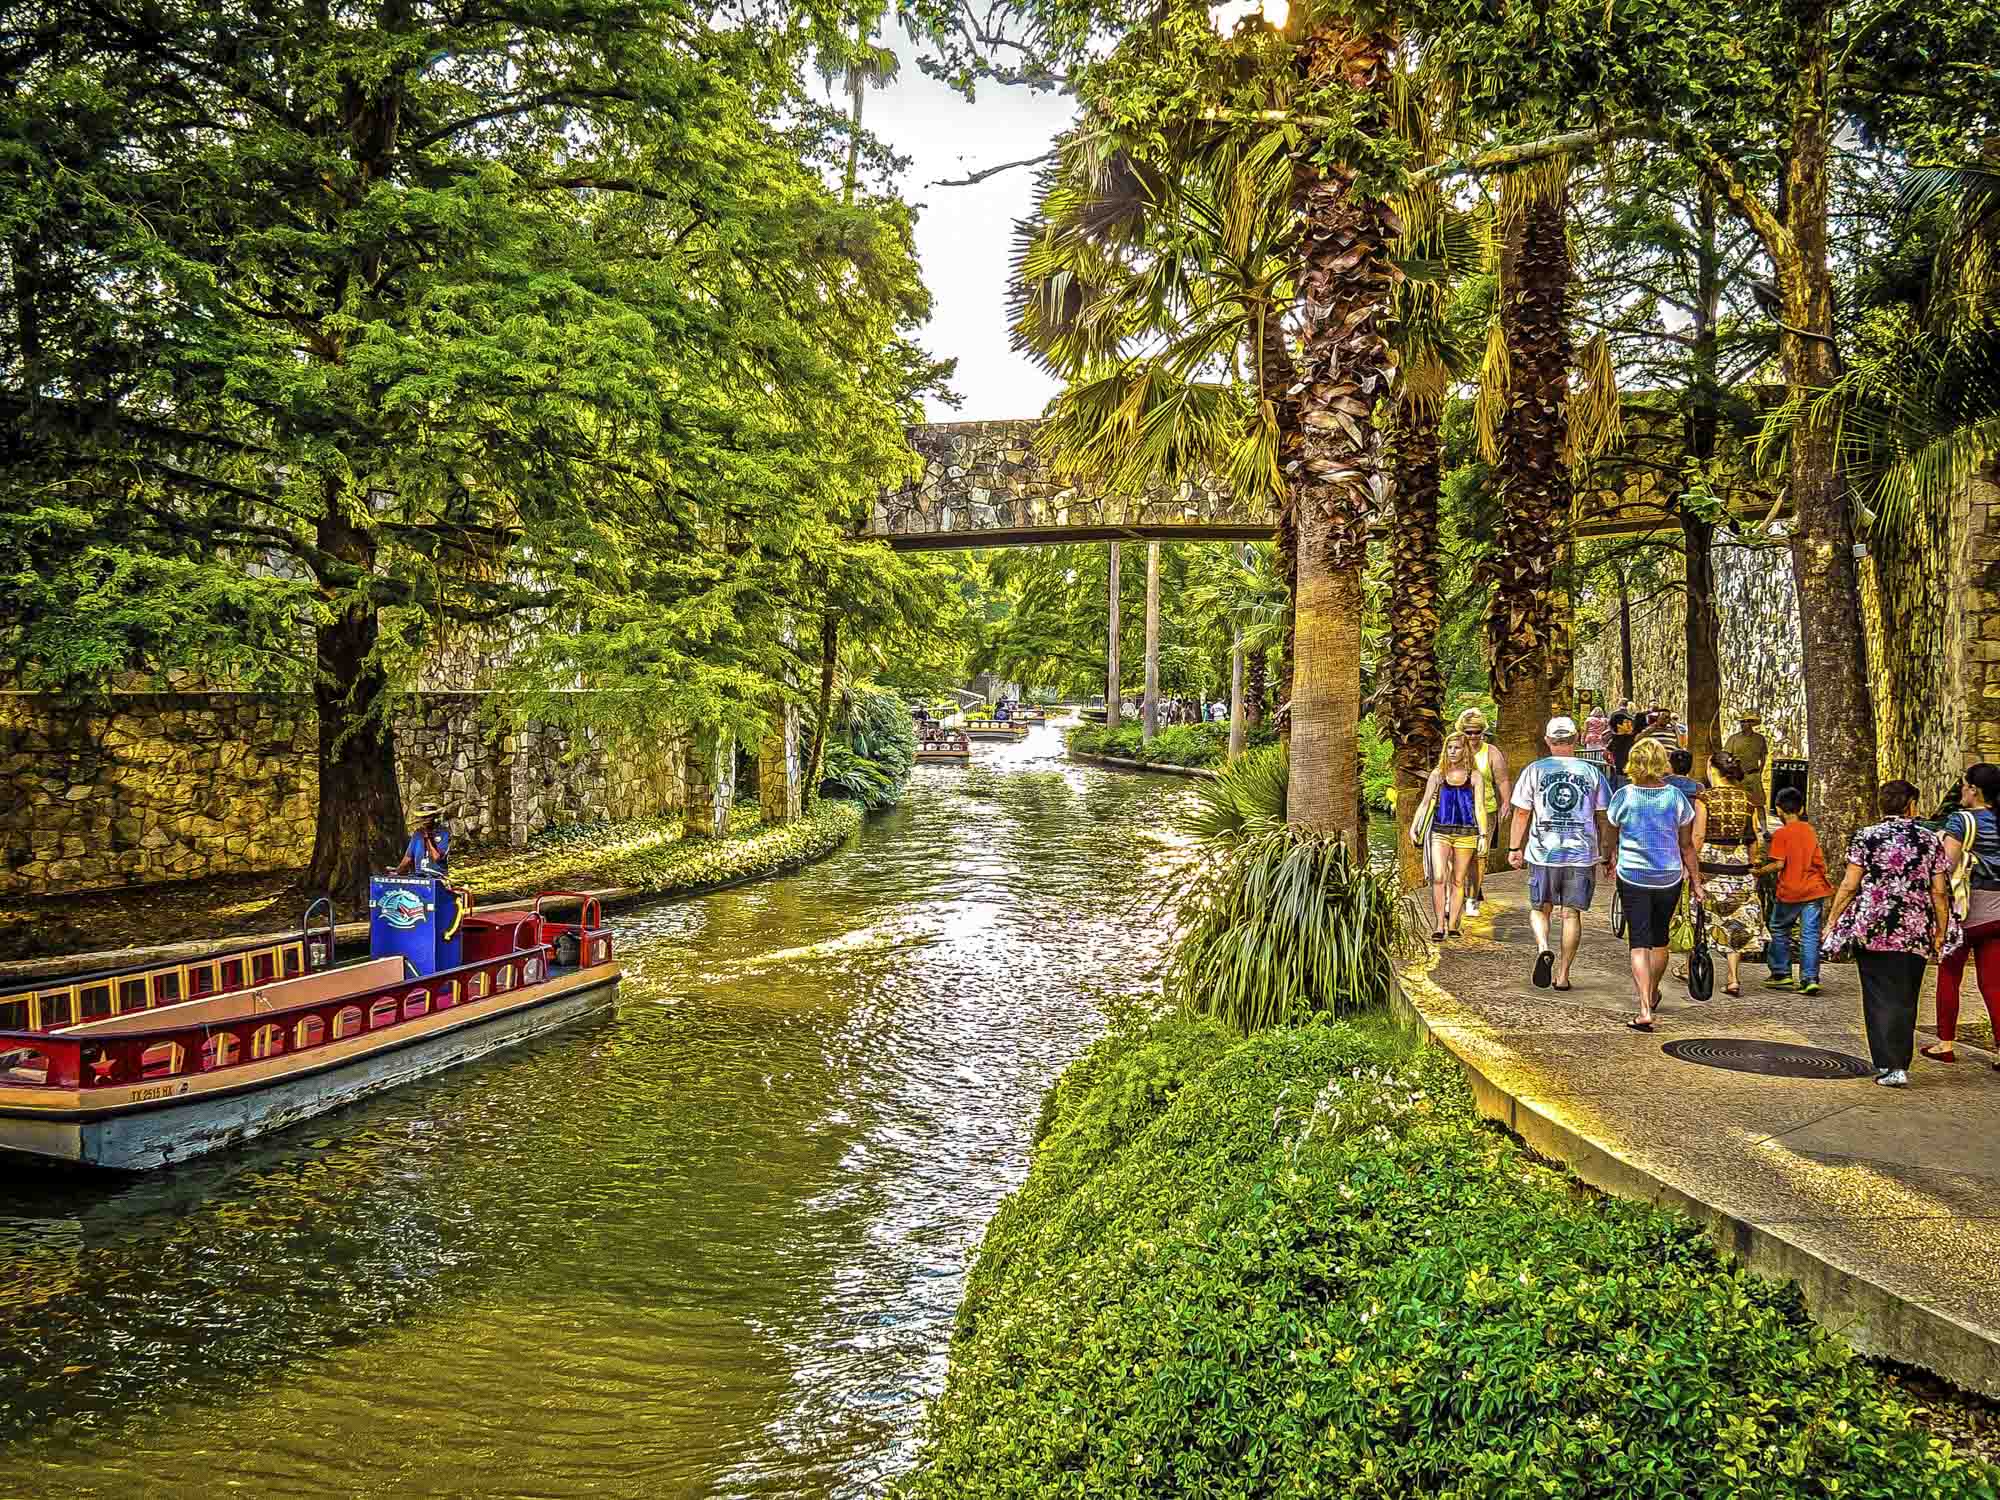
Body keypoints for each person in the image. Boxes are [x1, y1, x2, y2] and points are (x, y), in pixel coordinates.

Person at [1825, 780, 1952, 1088]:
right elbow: (1938, 891)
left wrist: (1833, 919)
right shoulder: (1930, 840)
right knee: (1907, 995)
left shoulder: (1866, 836)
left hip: (1873, 926)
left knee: (1877, 995)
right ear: (1911, 805)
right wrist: (1941, 929)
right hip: (1915, 928)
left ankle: (1888, 1064)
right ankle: (1901, 1062)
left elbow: (1850, 884)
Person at [1604, 738, 1700, 1032]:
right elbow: (1686, 846)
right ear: (1662, 763)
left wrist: (1608, 857)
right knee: (1660, 939)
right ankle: (1654, 990)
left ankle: (1644, 1007)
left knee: (1639, 942)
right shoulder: (1675, 798)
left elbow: (1610, 835)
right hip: (1668, 875)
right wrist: (1696, 880)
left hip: (1633, 874)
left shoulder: (1624, 796)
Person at [1508, 716, 1610, 991]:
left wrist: (1514, 847)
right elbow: (1603, 817)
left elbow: (1521, 812)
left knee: (1540, 908)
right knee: (1571, 914)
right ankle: (1563, 975)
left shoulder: (1534, 770)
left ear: (1548, 741)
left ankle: (1543, 946)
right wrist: (1607, 852)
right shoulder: (1592, 773)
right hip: (1581, 852)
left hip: (1543, 852)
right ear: (1576, 740)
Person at [1926, 762, 2000, 1067]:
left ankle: (1945, 1043)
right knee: (1994, 982)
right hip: (1997, 912)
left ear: (1973, 789)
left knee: (1950, 974)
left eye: (1964, 785)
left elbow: (1946, 865)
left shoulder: (1962, 821)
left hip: (1965, 910)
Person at [1692, 749, 1769, 998]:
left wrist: (1689, 862)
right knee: (1736, 920)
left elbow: (1699, 835)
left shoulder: (1705, 799)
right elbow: (1754, 837)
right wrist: (1755, 862)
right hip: (1739, 863)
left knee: (1702, 916)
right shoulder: (1748, 800)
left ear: (1713, 770)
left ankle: (1692, 964)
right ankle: (1733, 978)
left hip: (1710, 864)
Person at [1409, 732, 1488, 941]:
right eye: (1450, 747)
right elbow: (1426, 802)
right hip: (1440, 831)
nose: (1453, 751)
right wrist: (1415, 825)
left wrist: (1483, 835)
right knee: (1438, 877)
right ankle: (1438, 924)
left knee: (1459, 880)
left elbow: (1480, 807)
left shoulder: (1475, 776)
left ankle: (1453, 923)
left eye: (1457, 748)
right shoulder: (1438, 774)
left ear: (1465, 751)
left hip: (1467, 832)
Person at [1759, 785, 1832, 995]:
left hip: (1791, 890)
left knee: (1779, 928)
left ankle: (1781, 973)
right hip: (1814, 888)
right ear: (1801, 809)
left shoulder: (1781, 834)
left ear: (1778, 809)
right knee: (1809, 934)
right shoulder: (1809, 830)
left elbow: (1779, 864)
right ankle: (1809, 978)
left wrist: (1760, 871)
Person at [1454, 708, 1511, 917]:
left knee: (1479, 855)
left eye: (1476, 732)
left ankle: (1472, 896)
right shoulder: (1454, 749)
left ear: (1483, 732)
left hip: (1485, 810)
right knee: (1459, 853)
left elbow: (1502, 779)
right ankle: (1463, 891)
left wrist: (1506, 802)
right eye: (1468, 732)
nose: (1472, 736)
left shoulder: (1491, 752)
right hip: (1457, 811)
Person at [1724, 708, 1772, 823]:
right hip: (1738, 776)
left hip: (1753, 775)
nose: (1743, 724)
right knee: (1738, 803)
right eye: (1742, 722)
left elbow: (1763, 757)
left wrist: (1760, 771)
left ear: (1751, 723)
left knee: (1759, 803)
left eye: (1746, 722)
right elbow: (1726, 756)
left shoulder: (1759, 739)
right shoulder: (1734, 739)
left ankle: (1764, 829)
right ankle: (1738, 827)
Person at [394, 803, 451, 876]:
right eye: (423, 817)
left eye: (427, 817)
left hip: (437, 877)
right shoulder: (417, 834)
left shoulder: (443, 834)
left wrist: (427, 838)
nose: (425, 820)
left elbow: (436, 858)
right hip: (419, 876)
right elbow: (408, 857)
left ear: (434, 817)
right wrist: (397, 871)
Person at [1604, 712, 1637, 793]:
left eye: (1630, 722)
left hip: (1630, 774)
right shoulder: (1617, 739)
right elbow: (1605, 753)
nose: (1630, 724)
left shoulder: (1615, 739)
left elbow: (1605, 753)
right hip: (1622, 774)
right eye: (1626, 722)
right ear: (1619, 725)